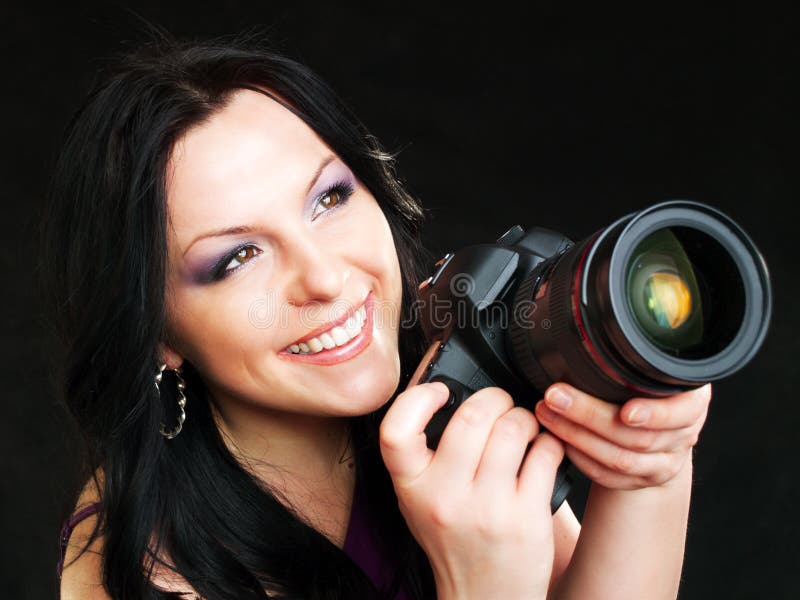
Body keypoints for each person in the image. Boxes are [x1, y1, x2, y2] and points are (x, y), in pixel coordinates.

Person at [41, 28, 712, 600]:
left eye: (329, 200)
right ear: (156, 332)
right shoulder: (135, 564)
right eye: (239, 256)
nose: (327, 278)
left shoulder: (446, 390)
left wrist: (651, 475)